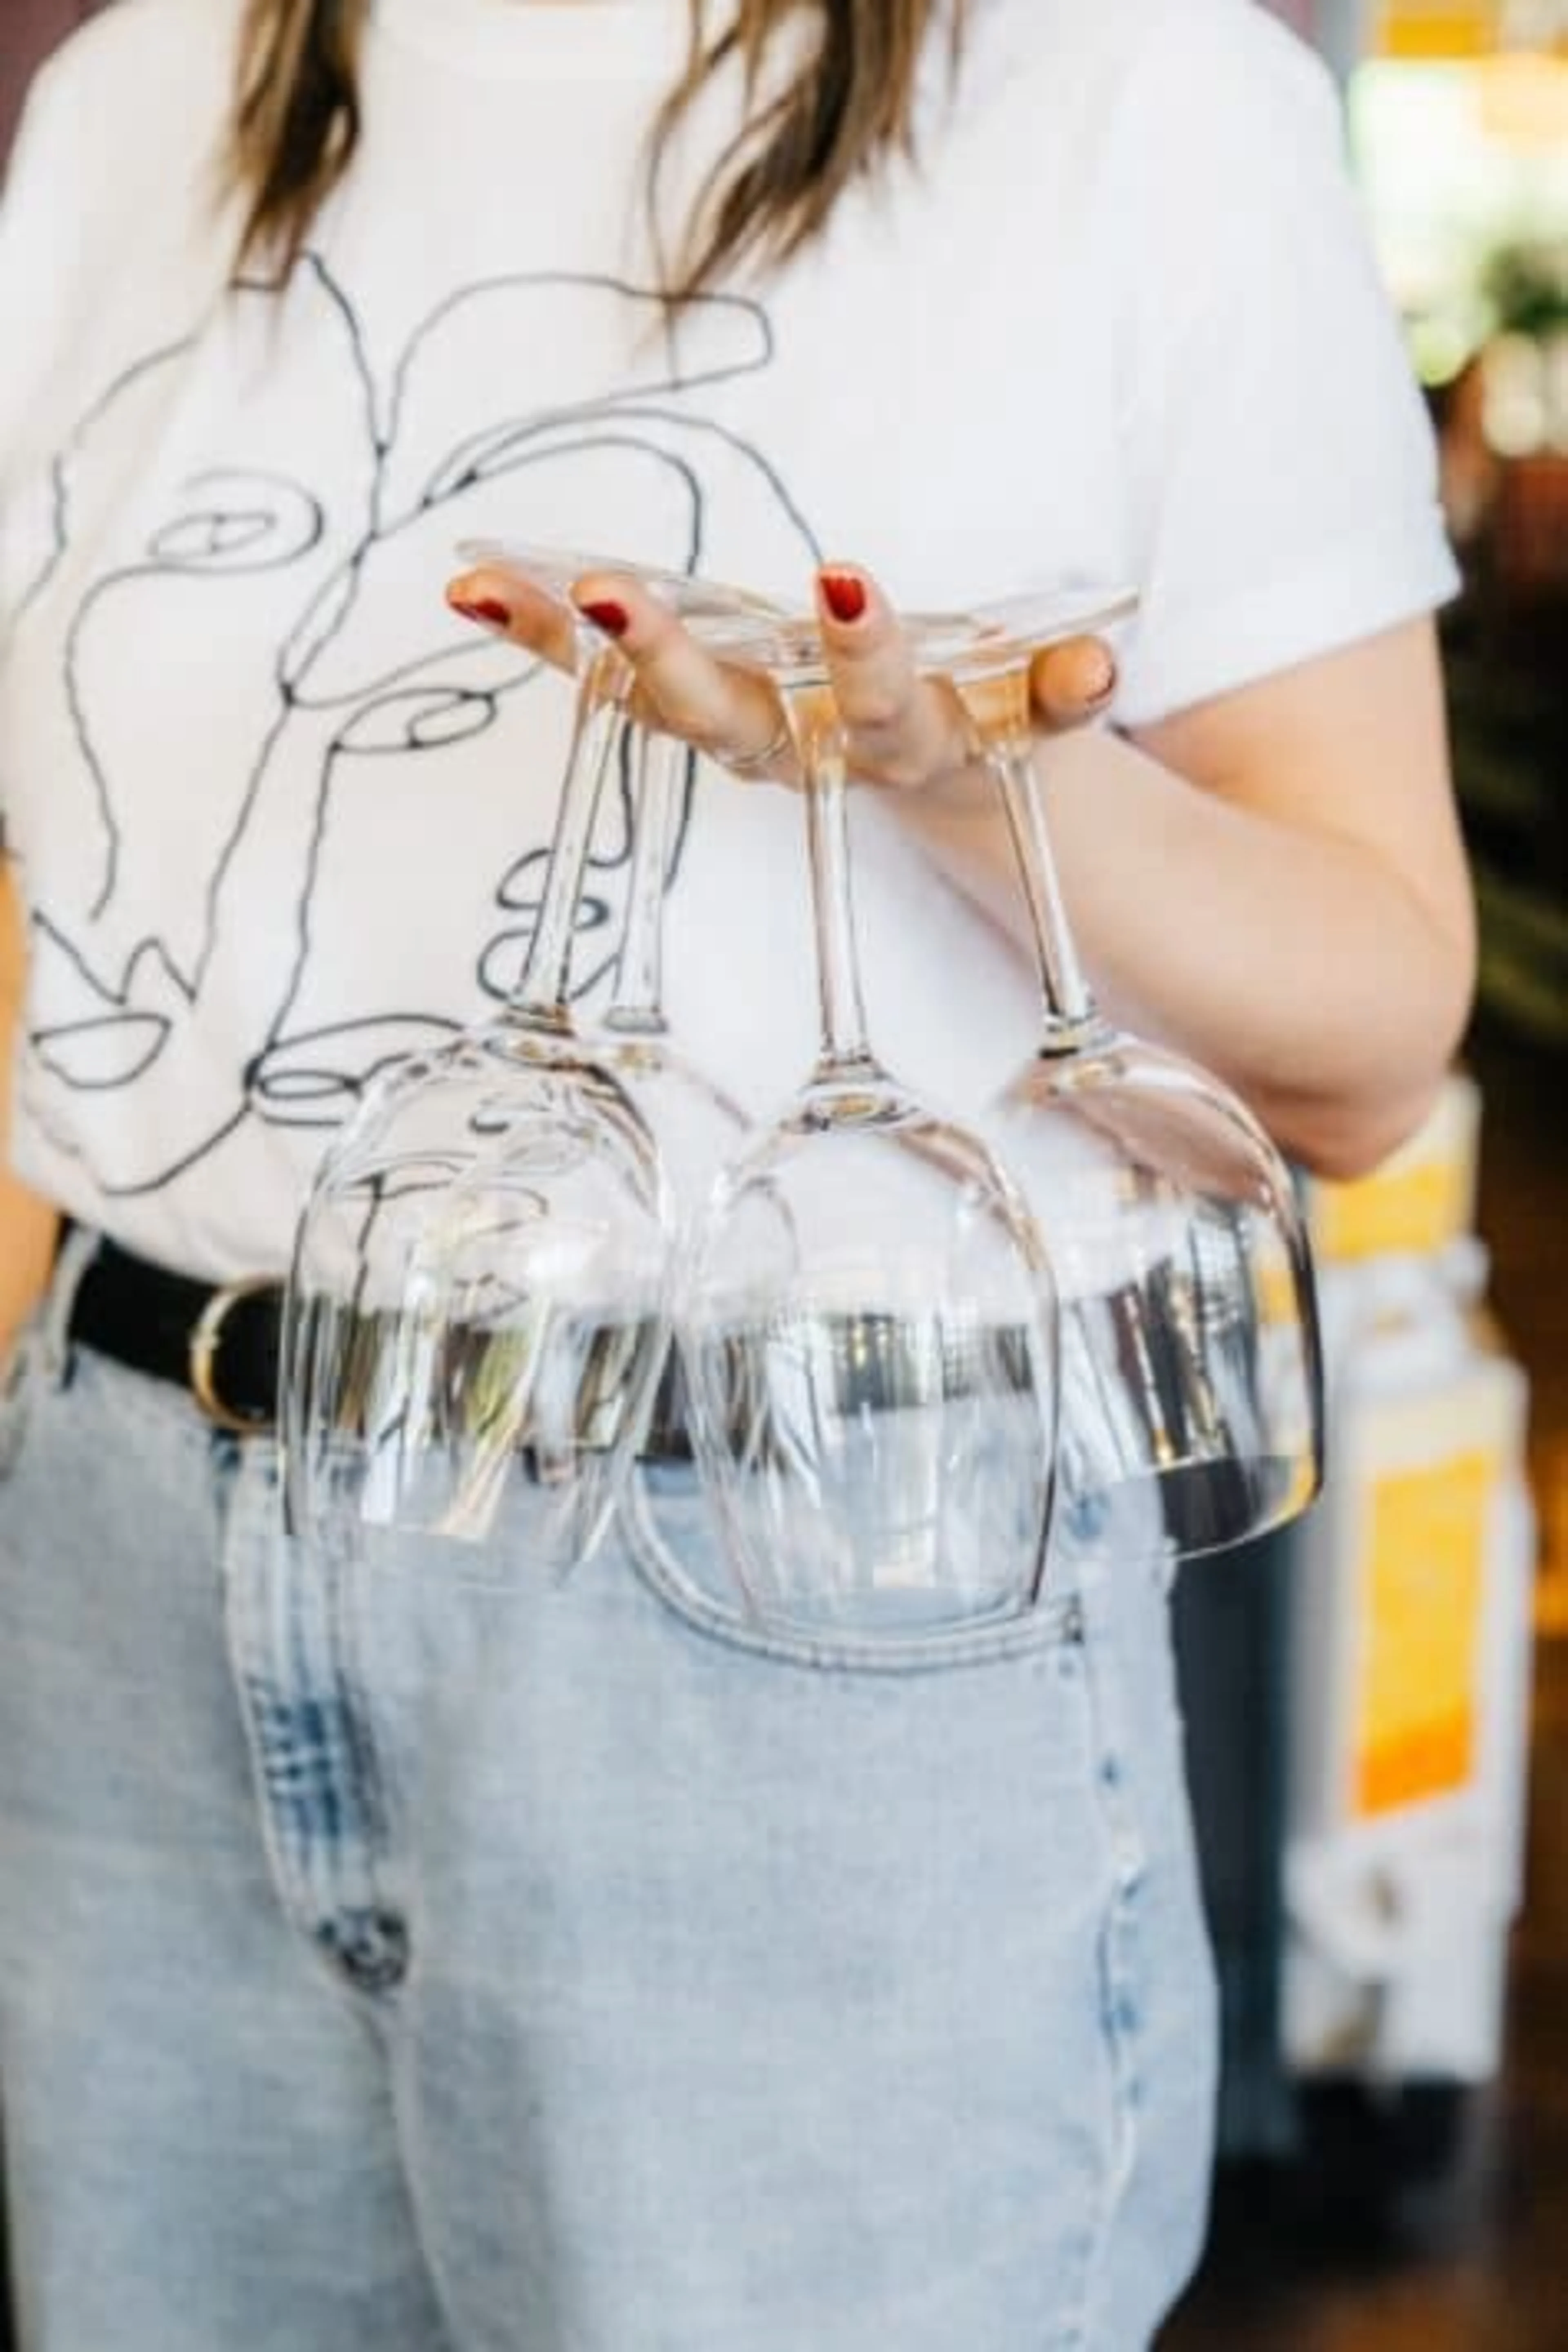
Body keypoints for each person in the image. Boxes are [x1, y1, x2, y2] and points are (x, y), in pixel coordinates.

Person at [0, 0, 1474, 2346]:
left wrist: (936, 758)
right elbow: (60, 877)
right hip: (123, 1547)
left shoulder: (1135, 94)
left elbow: (1375, 1034)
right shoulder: (144, 94)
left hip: (788, 1595)